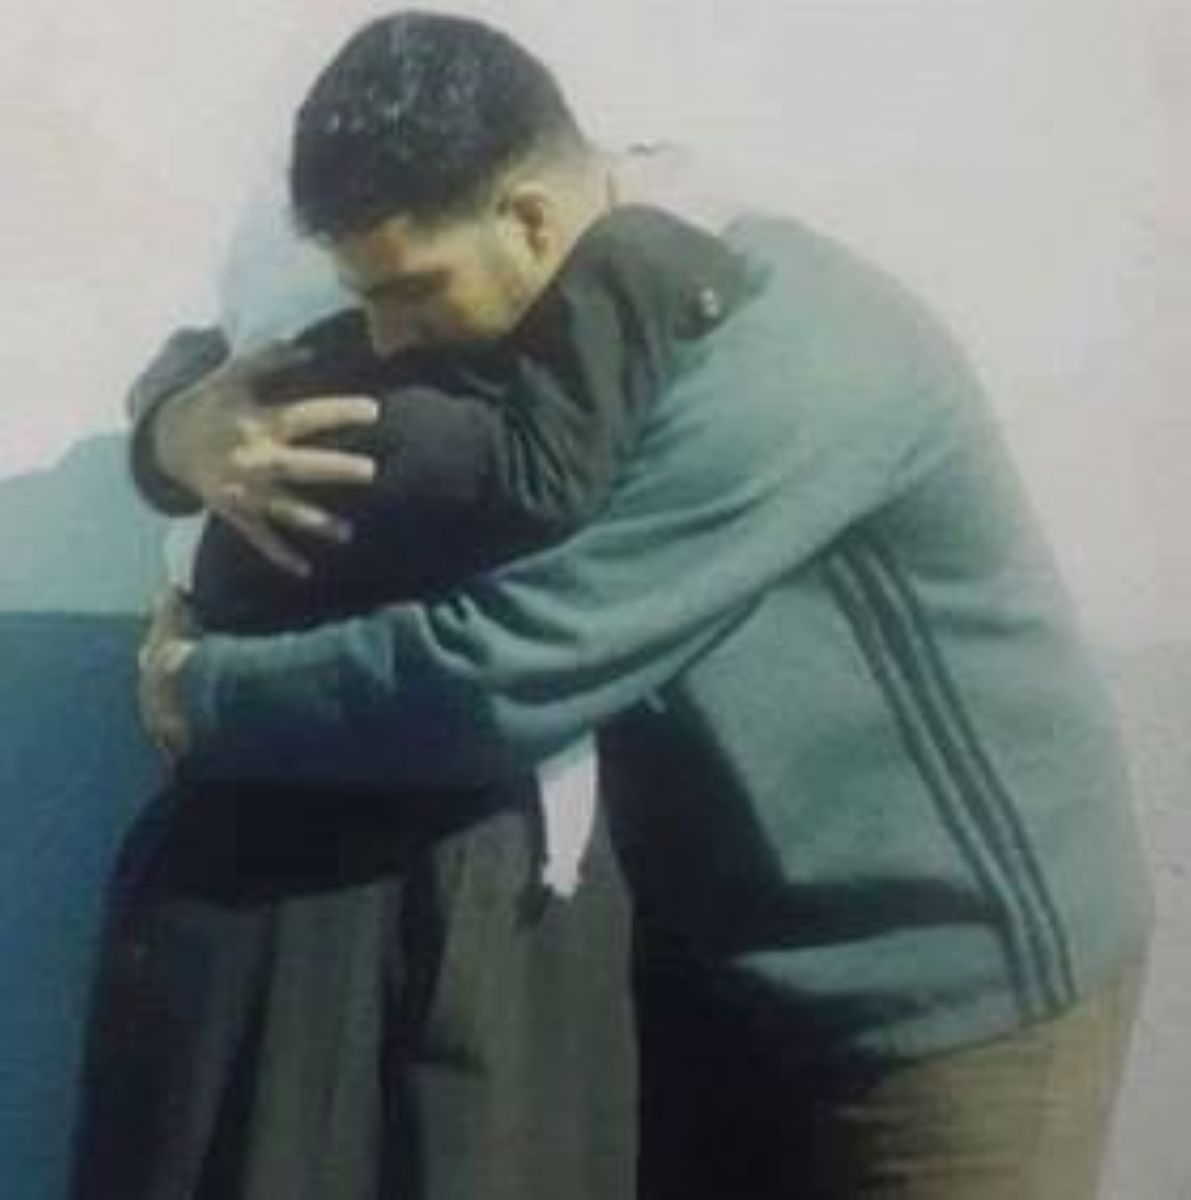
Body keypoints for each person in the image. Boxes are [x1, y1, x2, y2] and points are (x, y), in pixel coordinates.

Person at [136, 11, 1153, 1199]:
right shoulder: (526, 289)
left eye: (408, 291)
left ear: (529, 218)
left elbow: (510, 667)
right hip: (717, 971)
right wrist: (175, 430)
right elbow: (242, 344)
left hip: (947, 999)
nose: (386, 338)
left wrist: (203, 695)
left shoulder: (784, 357)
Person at [75, 177, 750, 1200]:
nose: (395, 332)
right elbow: (541, 472)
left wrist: (167, 427)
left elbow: (192, 352)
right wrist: (651, 249)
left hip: (306, 850)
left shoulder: (283, 407)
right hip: (408, 867)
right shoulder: (398, 419)